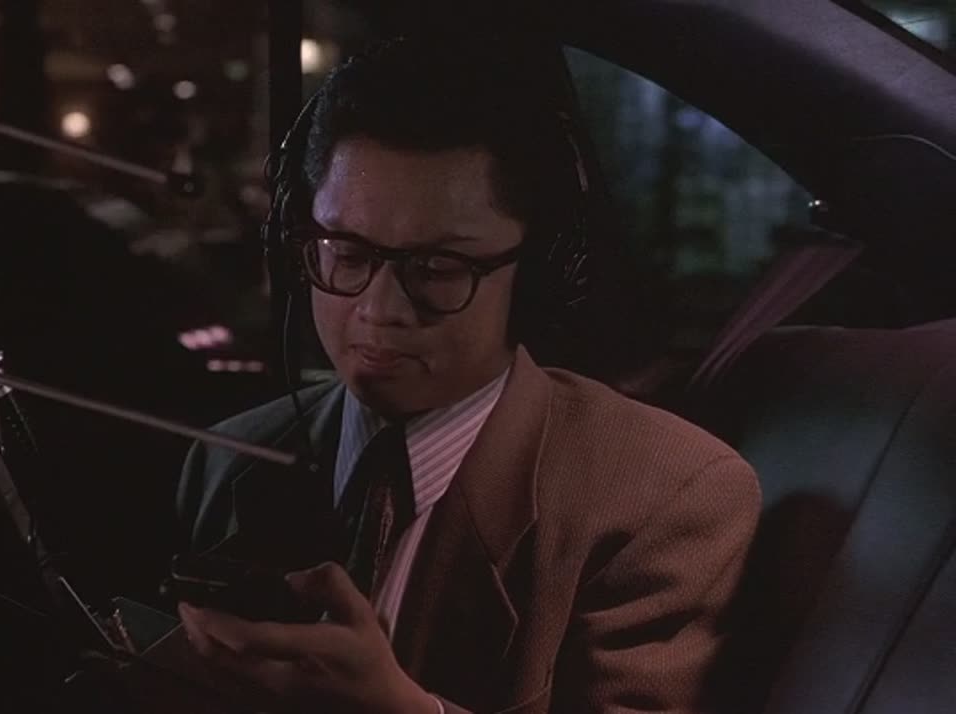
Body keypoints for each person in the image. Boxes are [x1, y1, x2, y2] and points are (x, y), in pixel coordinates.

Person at [170, 35, 761, 714]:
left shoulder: (665, 501)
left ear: (534, 275)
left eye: (438, 268)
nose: (379, 310)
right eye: (346, 253)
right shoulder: (228, 458)